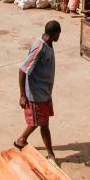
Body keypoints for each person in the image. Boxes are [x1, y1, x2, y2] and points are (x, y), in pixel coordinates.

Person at [13, 20, 61, 165]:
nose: (59, 37)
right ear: (54, 34)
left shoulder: (49, 43)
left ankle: (21, 140)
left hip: (45, 92)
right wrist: (22, 95)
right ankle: (51, 155)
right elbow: (22, 70)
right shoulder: (39, 49)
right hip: (36, 94)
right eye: (59, 34)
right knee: (44, 124)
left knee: (39, 120)